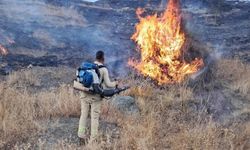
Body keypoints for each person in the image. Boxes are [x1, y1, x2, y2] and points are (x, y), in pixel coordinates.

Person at [78, 50, 118, 143]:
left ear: (96, 57)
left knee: (83, 114)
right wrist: (115, 83)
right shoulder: (103, 69)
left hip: (84, 94)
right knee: (94, 118)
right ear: (103, 58)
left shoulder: (88, 66)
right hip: (95, 97)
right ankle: (93, 140)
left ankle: (81, 135)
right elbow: (108, 84)